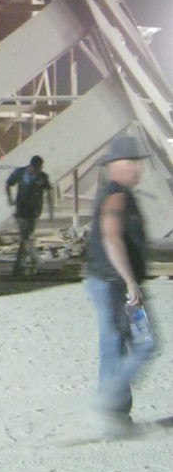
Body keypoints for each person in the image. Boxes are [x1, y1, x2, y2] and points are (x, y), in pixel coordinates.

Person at [85, 134, 153, 437]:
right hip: (115, 284)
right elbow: (112, 237)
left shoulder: (116, 193)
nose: (136, 169)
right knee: (145, 344)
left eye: (137, 163)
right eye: (130, 163)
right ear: (113, 166)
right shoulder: (117, 196)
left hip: (105, 281)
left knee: (114, 347)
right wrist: (130, 282)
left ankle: (115, 418)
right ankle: (109, 405)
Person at [5, 154, 52, 275]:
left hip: (34, 210)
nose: (39, 170)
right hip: (21, 209)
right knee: (25, 236)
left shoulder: (42, 177)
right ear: (32, 166)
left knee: (26, 236)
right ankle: (30, 260)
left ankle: (21, 263)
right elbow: (9, 183)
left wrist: (50, 210)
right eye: (37, 167)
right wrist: (10, 199)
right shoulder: (20, 173)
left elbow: (48, 191)